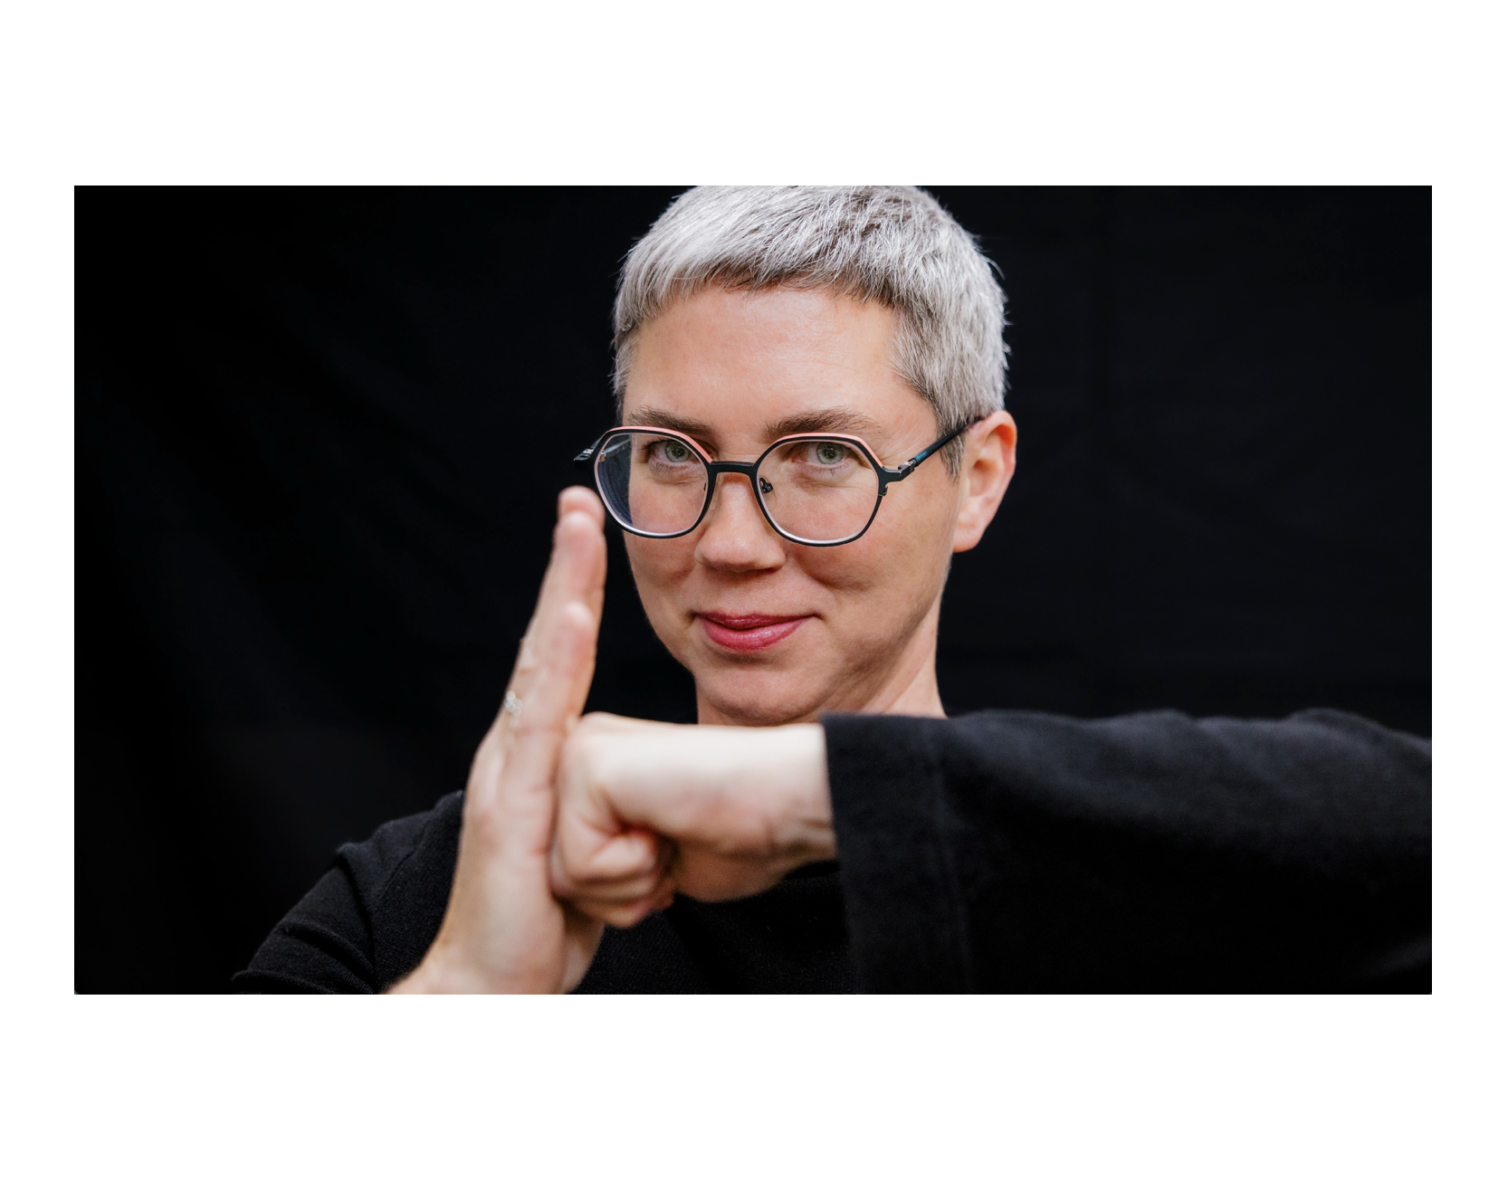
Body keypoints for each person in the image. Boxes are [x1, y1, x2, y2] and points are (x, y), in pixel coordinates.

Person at [235, 187, 1430, 994]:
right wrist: (462, 995)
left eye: (821, 456)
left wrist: (815, 796)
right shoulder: (446, 890)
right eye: (672, 454)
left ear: (975, 479)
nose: (731, 544)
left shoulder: (1143, 885)